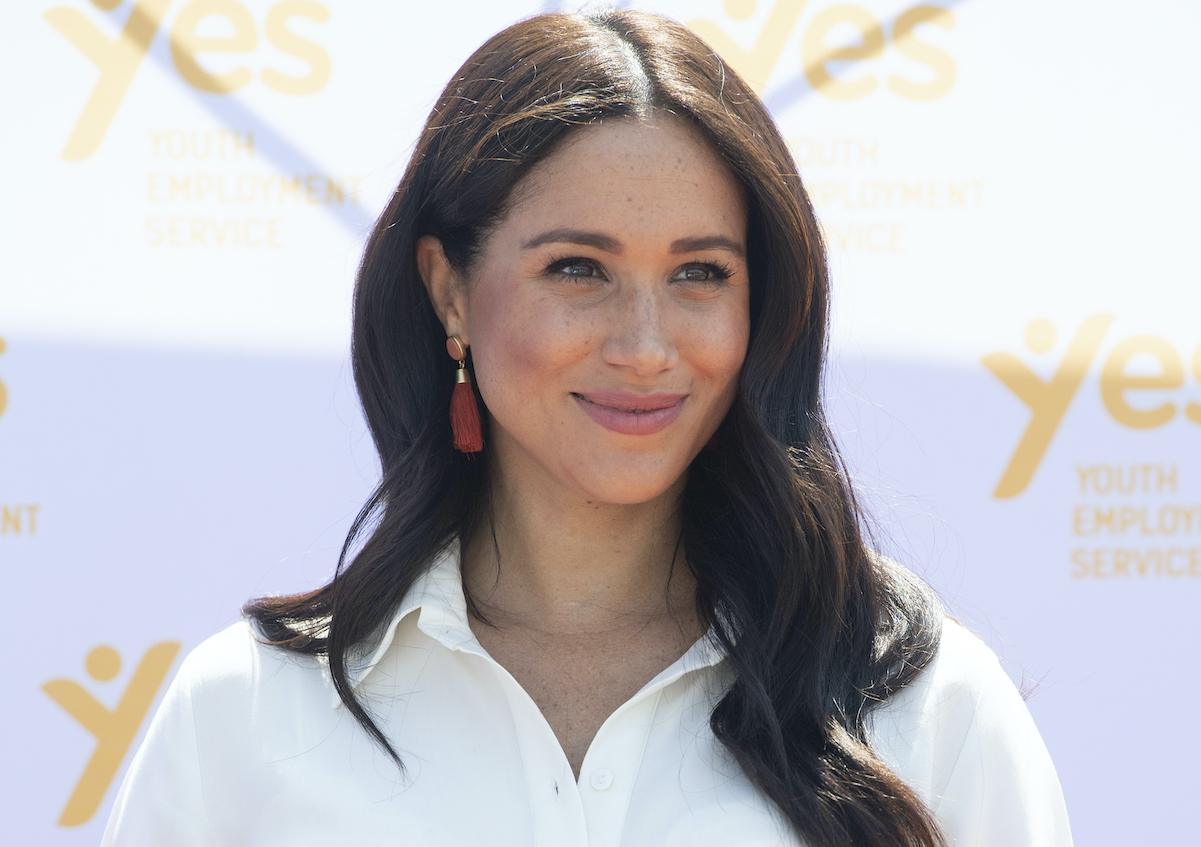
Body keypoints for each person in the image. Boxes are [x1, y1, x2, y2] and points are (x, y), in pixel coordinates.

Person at [102, 10, 1072, 847]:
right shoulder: (248, 709)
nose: (647, 346)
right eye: (578, 268)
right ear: (449, 290)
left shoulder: (924, 703)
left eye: (699, 273)